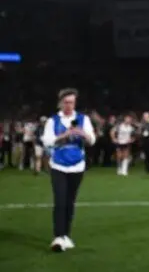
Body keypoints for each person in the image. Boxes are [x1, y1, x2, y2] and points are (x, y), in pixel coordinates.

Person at [41, 88, 96, 252]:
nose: (69, 105)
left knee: (70, 202)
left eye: (72, 102)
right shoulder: (52, 121)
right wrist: (63, 136)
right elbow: (47, 141)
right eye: (66, 102)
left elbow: (92, 140)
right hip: (58, 165)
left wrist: (84, 134)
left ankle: (66, 235)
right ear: (60, 103)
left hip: (77, 166)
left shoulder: (83, 119)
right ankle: (58, 237)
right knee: (60, 200)